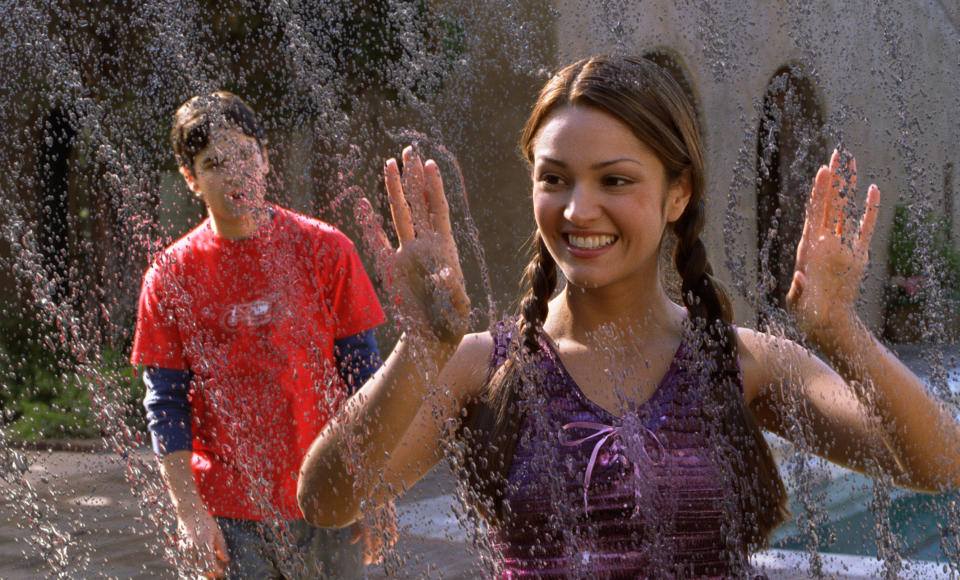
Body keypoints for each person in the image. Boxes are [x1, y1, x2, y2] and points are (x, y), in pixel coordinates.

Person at [296, 56, 960, 578]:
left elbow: (938, 466)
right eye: (554, 178)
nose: (578, 209)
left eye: (615, 180)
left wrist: (840, 332)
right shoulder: (481, 365)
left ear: (678, 193)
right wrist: (422, 345)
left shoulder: (745, 364)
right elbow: (327, 501)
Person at [130, 91, 393, 579]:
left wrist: (373, 489)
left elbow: (365, 381)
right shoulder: (169, 277)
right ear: (191, 179)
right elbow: (165, 404)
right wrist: (190, 513)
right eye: (214, 163)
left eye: (247, 155)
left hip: (331, 500)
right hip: (231, 518)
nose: (236, 174)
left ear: (266, 157)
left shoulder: (326, 251)